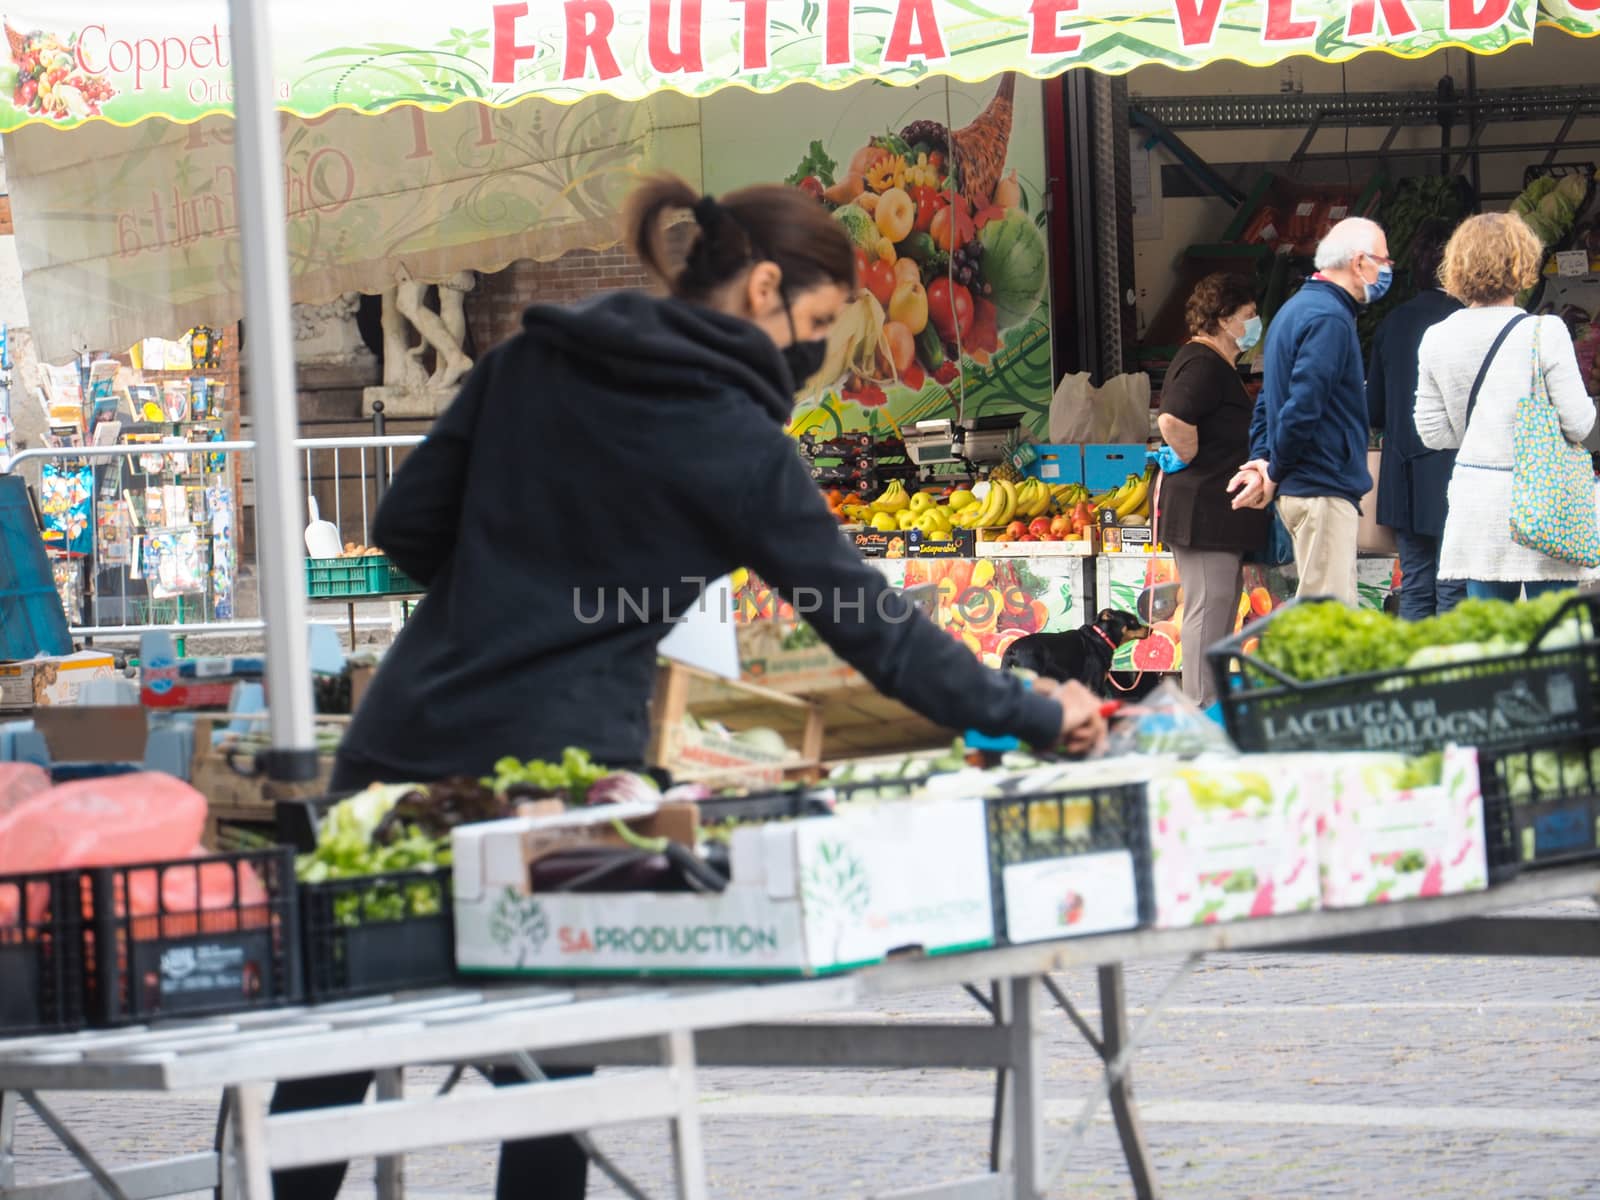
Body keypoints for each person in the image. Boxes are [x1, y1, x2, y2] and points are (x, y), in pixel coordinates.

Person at [269, 173, 1107, 1200]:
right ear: (761, 289)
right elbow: (872, 630)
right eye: (817, 325)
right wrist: (1034, 709)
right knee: (551, 1080)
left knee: (329, 1063)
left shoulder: (528, 360)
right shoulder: (737, 444)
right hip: (558, 792)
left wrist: (515, 583)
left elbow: (405, 531)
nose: (816, 354)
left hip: (396, 749)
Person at [1414, 211, 1600, 601]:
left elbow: (1432, 434)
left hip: (1477, 505)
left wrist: (1481, 429)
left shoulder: (1437, 338)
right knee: (1555, 642)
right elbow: (1579, 425)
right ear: (1522, 262)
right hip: (1546, 504)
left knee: (1492, 645)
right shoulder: (1544, 331)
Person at [1228, 217, 1390, 607]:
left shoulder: (1294, 310)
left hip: (1305, 487)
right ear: (1358, 262)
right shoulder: (1330, 319)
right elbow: (1303, 407)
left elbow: (1270, 397)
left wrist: (1263, 459)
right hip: (1322, 487)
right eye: (1383, 261)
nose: (1387, 271)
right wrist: (1274, 468)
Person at [1153, 272, 1269, 707]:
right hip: (1204, 512)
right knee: (1207, 605)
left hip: (1216, 514)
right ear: (1222, 319)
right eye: (1248, 316)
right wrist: (1189, 453)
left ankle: (1211, 704)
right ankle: (1199, 709)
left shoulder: (1215, 364)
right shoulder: (1203, 363)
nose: (1255, 323)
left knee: (1221, 604)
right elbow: (1172, 417)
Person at [1366, 219, 1464, 619]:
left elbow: (1374, 409)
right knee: (1455, 588)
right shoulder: (1465, 320)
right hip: (1454, 474)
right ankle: (1454, 679)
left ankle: (1416, 677)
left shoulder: (1393, 322)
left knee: (1417, 585)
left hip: (1403, 475)